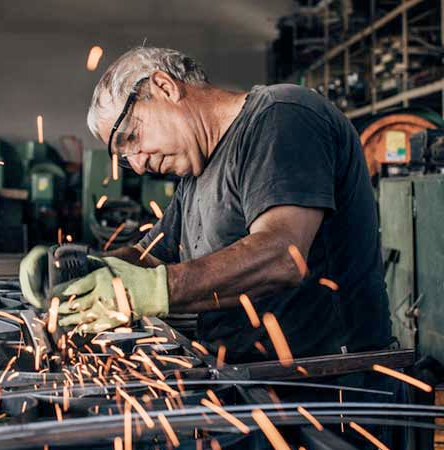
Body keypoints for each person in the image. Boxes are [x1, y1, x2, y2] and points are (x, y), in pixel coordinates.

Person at [20, 47, 406, 447]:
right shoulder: (195, 174)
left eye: (131, 137)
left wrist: (150, 291)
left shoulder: (283, 116)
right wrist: (77, 269)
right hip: (253, 385)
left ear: (164, 87)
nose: (136, 164)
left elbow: (282, 254)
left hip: (328, 390)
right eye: (123, 155)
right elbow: (149, 255)